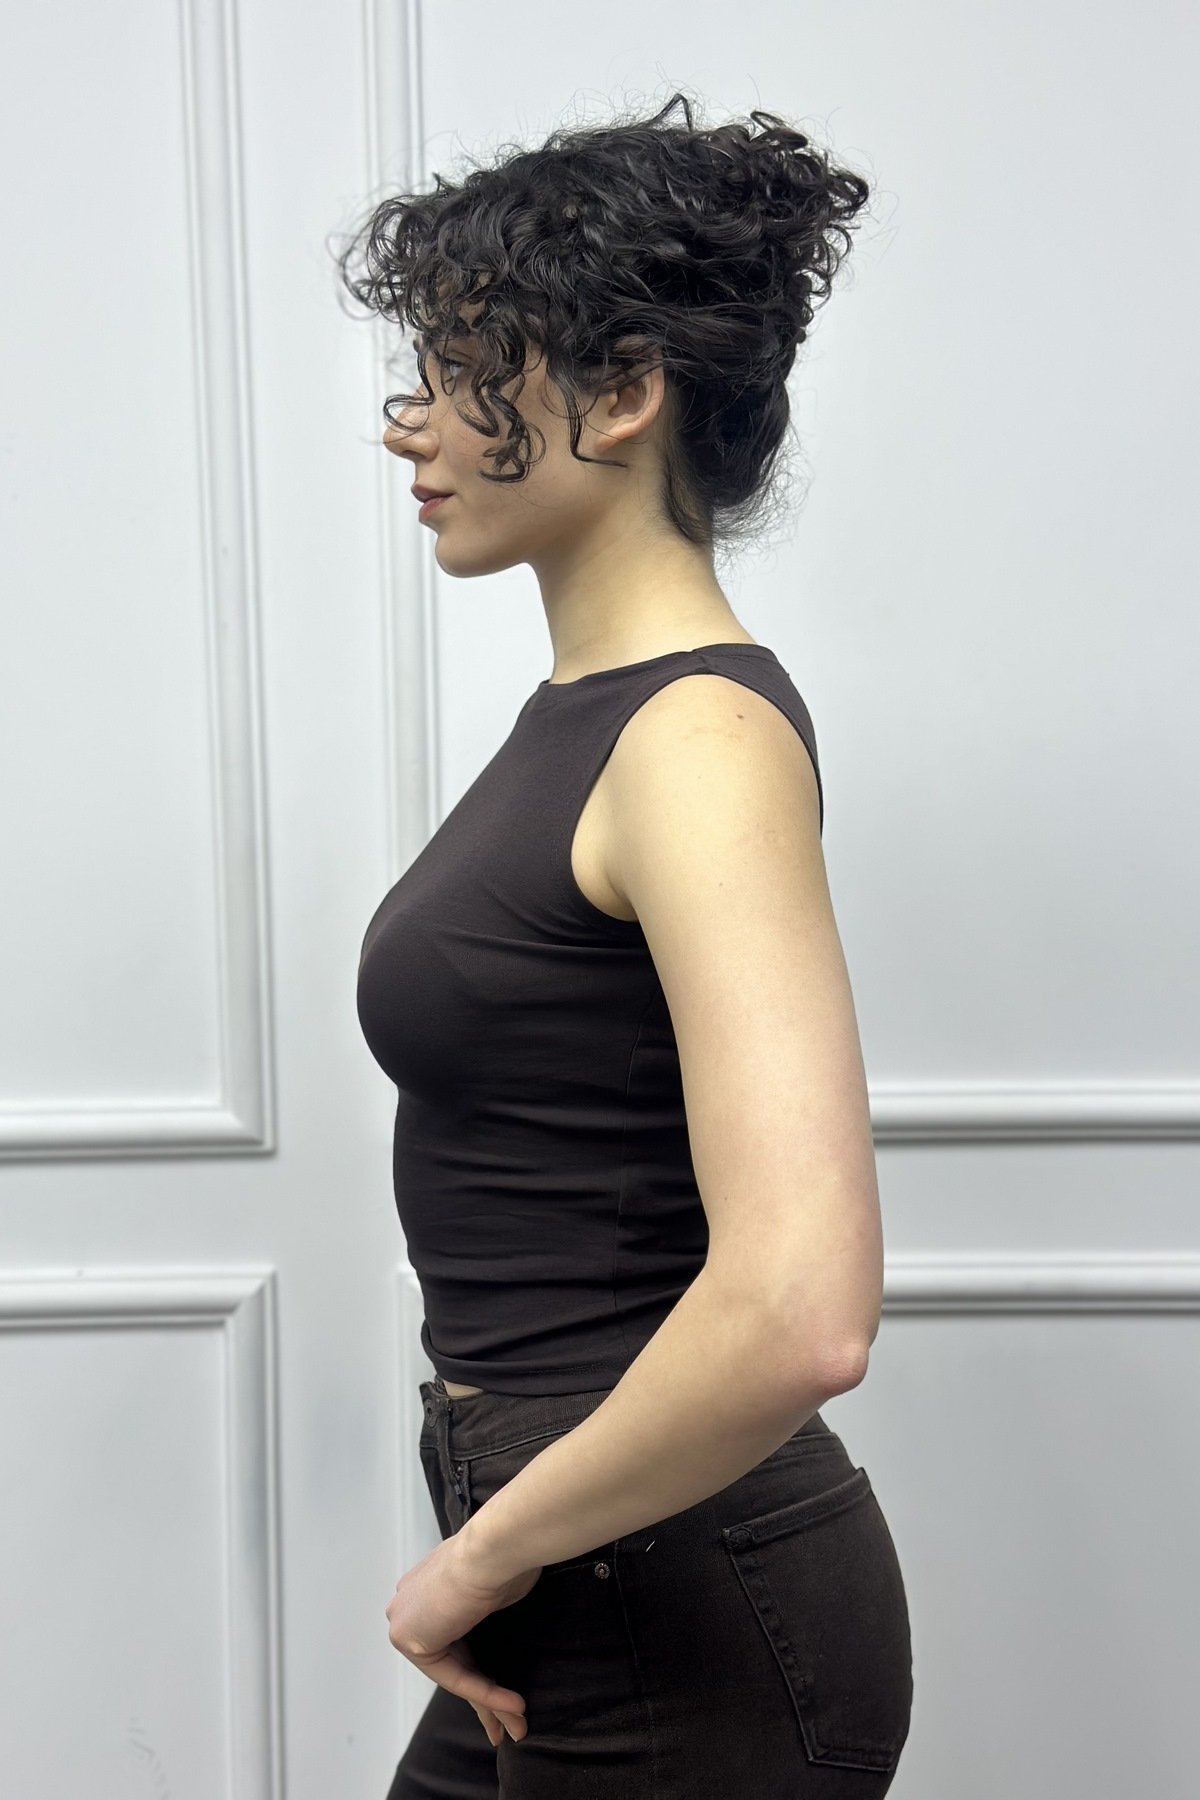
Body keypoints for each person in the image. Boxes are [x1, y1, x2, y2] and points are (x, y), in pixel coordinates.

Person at [339, 89, 913, 1798]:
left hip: (678, 1614)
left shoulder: (698, 744)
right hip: (584, 1581)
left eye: (462, 370)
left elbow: (803, 1309)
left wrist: (478, 1555)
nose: (410, 424)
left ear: (620, 393)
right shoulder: (596, 721)